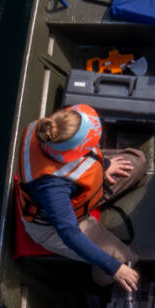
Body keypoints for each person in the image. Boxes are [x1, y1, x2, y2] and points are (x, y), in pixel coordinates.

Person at [16, 104, 145, 291]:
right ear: (75, 151)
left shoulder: (51, 129)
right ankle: (97, 285)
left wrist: (106, 164)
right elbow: (69, 233)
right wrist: (115, 268)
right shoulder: (51, 187)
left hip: (83, 193)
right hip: (57, 225)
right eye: (91, 144)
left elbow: (89, 153)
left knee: (137, 162)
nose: (96, 145)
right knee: (125, 260)